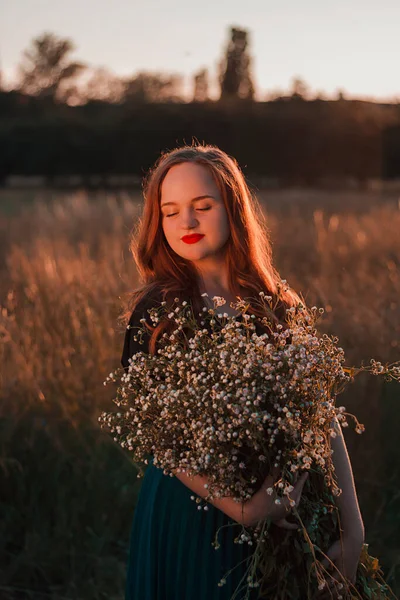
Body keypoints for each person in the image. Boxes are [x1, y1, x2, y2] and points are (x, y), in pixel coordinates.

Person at [120, 144, 365, 600]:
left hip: (284, 510)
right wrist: (247, 509)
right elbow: (156, 434)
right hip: (192, 510)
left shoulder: (276, 306)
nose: (186, 223)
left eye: (203, 206)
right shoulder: (160, 312)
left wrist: (353, 529)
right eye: (170, 212)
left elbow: (318, 413)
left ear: (234, 207)